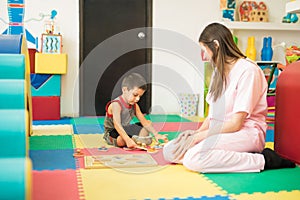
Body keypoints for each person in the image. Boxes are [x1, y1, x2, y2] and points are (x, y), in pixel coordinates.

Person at [163, 22, 296, 173]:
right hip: (220, 132)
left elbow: (236, 124)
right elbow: (211, 117)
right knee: (170, 150)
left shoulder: (248, 71)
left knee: (193, 159)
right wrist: (195, 134)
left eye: (204, 50)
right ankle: (231, 155)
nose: (204, 56)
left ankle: (263, 159)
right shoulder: (218, 72)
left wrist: (198, 138)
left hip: (245, 133)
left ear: (216, 45)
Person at [103, 73, 168, 148]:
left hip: (126, 128)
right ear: (125, 90)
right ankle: (133, 139)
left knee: (148, 123)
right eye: (135, 95)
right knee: (122, 140)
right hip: (113, 132)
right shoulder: (116, 104)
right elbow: (117, 125)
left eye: (140, 96)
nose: (137, 99)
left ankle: (139, 140)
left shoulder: (135, 105)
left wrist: (156, 134)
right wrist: (127, 140)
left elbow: (144, 121)